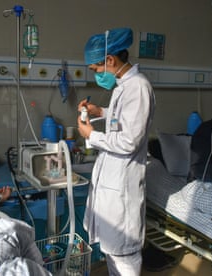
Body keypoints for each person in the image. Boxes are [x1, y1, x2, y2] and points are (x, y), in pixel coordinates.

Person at [76, 27, 155, 276]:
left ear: (110, 60)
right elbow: (125, 119)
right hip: (113, 182)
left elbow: (130, 140)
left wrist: (92, 136)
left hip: (123, 188)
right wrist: (101, 111)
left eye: (97, 69)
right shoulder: (125, 86)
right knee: (114, 255)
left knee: (125, 258)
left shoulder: (138, 87)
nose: (98, 75)